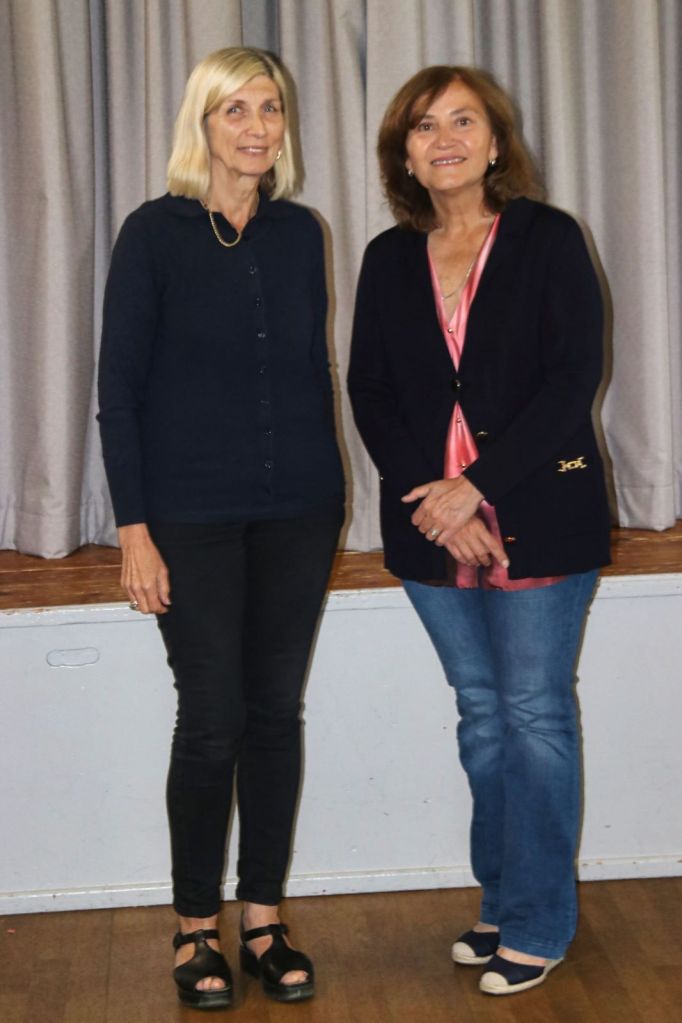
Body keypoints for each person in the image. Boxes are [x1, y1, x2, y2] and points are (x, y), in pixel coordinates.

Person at [348, 65, 610, 996]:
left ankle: (540, 922)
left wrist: (475, 489)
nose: (445, 139)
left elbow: (573, 378)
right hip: (431, 525)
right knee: (484, 716)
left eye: (464, 121)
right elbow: (370, 389)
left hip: (541, 512)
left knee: (535, 715)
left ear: (497, 142)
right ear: (404, 154)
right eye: (424, 127)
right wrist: (438, 503)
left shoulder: (548, 238)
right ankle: (502, 899)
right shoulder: (388, 257)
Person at [98, 47, 344, 1010]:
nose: (255, 126)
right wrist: (133, 527)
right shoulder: (153, 233)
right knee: (213, 718)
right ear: (200, 125)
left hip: (297, 511)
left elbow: (309, 371)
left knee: (275, 712)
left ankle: (263, 919)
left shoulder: (300, 232)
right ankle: (195, 924)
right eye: (233, 109)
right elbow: (119, 390)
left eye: (269, 108)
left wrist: (332, 492)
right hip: (188, 516)